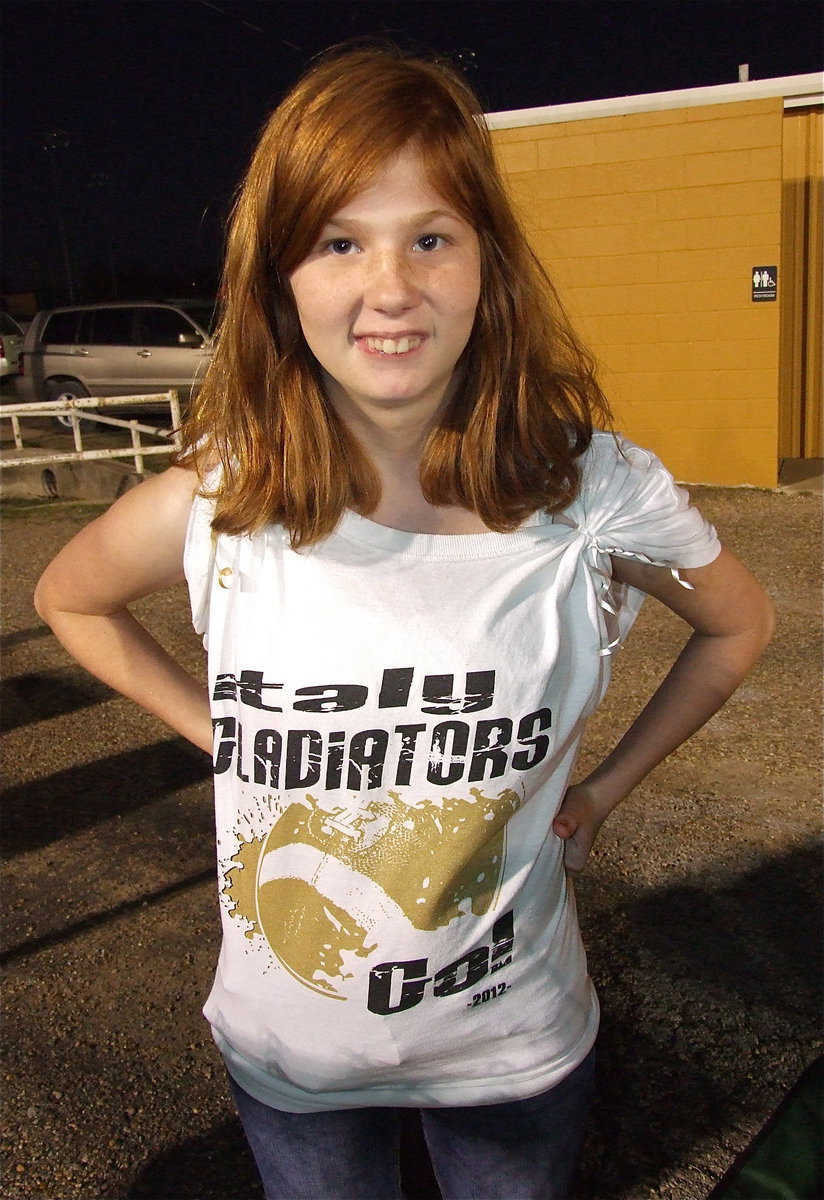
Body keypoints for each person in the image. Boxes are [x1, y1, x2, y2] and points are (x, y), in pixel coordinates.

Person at [34, 45, 774, 1200]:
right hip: (293, 1067)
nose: (389, 286)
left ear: (489, 264)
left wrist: (603, 792)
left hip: (512, 1053)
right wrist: (217, 733)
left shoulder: (587, 494)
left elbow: (737, 628)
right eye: (338, 240)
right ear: (280, 277)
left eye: (430, 236)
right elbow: (67, 599)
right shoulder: (220, 498)